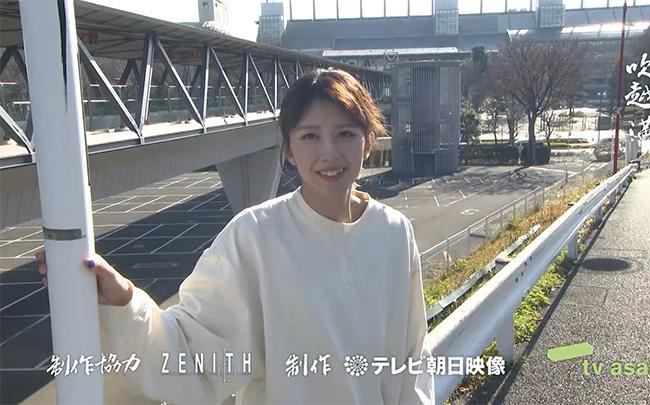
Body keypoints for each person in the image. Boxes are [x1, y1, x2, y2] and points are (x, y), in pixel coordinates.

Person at [37, 68, 435, 404]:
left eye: (345, 133)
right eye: (310, 136)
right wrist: (125, 301)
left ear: (368, 141)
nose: (329, 152)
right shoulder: (256, 236)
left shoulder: (393, 233)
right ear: (289, 150)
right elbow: (192, 353)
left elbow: (412, 360)